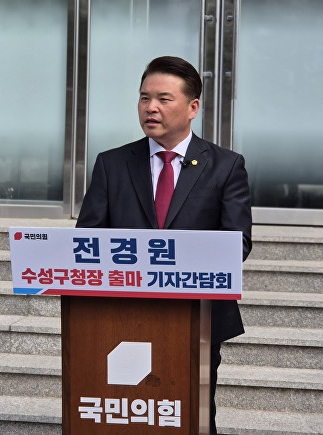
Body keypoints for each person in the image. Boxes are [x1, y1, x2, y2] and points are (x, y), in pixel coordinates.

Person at [76, 55, 252, 435]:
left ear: (192, 108)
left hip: (195, 316)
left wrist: (173, 265)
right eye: (144, 98)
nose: (150, 107)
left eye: (163, 99)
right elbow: (88, 239)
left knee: (192, 415)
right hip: (120, 315)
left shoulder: (225, 166)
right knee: (126, 413)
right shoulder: (112, 164)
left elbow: (236, 242)